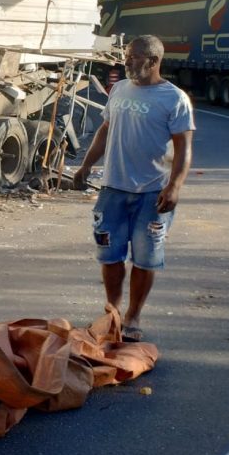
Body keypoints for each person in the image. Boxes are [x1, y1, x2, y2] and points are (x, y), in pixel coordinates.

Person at [73, 34, 194, 342]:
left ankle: (133, 316)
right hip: (112, 188)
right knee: (109, 254)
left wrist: (175, 186)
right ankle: (112, 312)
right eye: (126, 56)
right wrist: (86, 165)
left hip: (152, 194)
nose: (126, 62)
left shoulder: (174, 98)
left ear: (153, 61)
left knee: (145, 258)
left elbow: (183, 148)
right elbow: (105, 129)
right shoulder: (119, 89)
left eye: (133, 57)